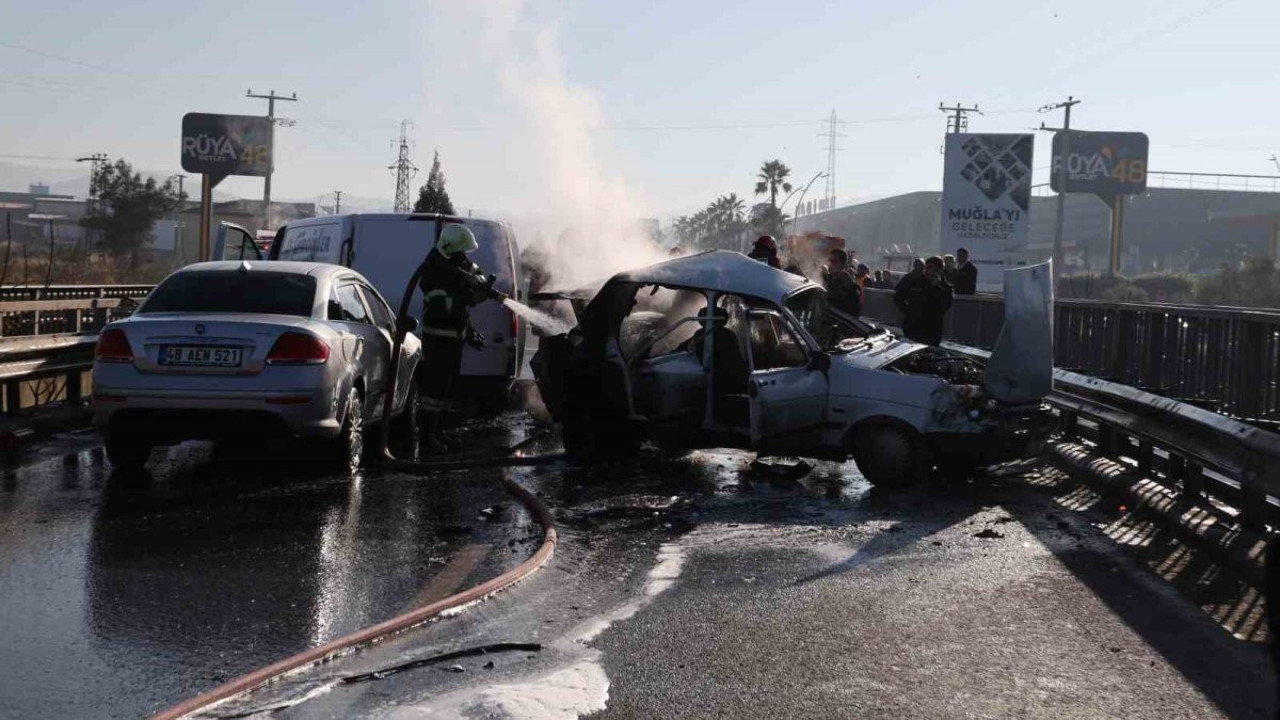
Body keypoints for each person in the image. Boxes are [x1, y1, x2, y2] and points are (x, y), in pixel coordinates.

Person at [418, 223, 498, 454]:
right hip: (438, 339)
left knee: (447, 389)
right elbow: (441, 307)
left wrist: (479, 281)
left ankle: (439, 432)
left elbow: (475, 271)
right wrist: (471, 298)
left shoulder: (455, 259)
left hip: (454, 336)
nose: (463, 255)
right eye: (460, 251)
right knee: (433, 392)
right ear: (448, 248)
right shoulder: (432, 271)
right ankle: (427, 439)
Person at [685, 304, 749, 423]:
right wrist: (746, 382)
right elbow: (735, 364)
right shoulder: (722, 335)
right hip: (718, 382)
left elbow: (732, 362)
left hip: (710, 381)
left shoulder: (703, 334)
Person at [893, 255, 953, 345]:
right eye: (926, 268)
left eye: (931, 268)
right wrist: (908, 311)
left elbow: (945, 306)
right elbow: (898, 297)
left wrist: (935, 287)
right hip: (913, 328)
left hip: (932, 331)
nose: (928, 271)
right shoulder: (916, 282)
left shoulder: (946, 288)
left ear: (939, 270)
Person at [822, 248, 862, 317]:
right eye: (829, 260)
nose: (830, 263)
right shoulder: (827, 279)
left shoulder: (851, 287)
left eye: (833, 261)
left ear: (843, 264)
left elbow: (852, 314)